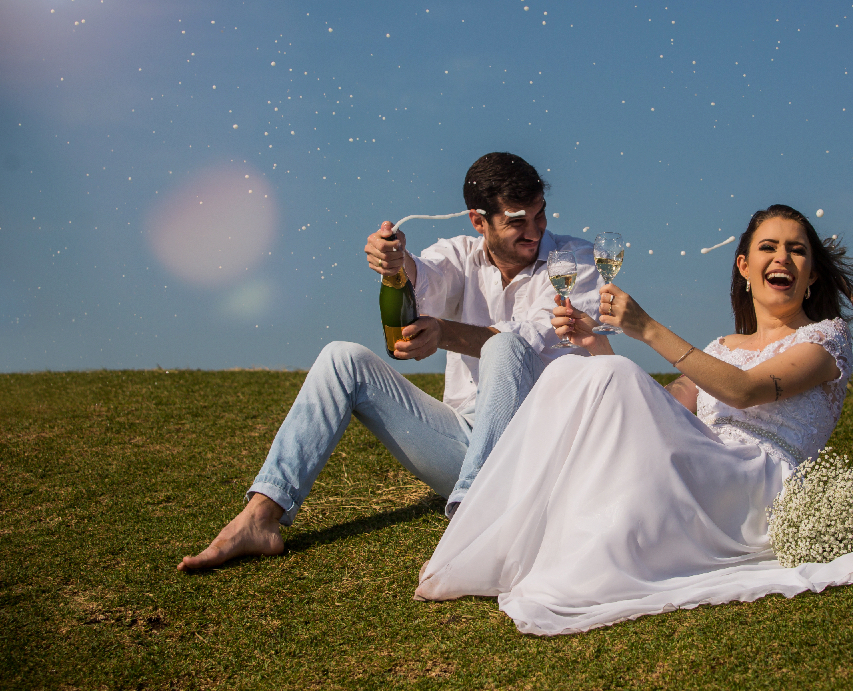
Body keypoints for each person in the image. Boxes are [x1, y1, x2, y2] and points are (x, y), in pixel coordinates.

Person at [414, 204, 853, 635]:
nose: (783, 258)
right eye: (769, 248)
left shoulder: (824, 338)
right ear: (744, 265)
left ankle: (504, 525)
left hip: (758, 484)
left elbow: (745, 390)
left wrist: (646, 329)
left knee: (611, 375)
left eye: (797, 251)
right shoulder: (721, 348)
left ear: (812, 273)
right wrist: (595, 345)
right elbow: (657, 409)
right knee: (572, 369)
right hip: (705, 463)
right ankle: (501, 533)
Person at [178, 152, 600, 571]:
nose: (534, 231)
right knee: (341, 357)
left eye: (540, 215)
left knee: (505, 346)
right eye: (518, 221)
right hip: (466, 444)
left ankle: (473, 521)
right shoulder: (459, 254)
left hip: (540, 448)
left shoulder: (576, 260)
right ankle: (261, 516)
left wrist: (444, 333)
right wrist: (394, 262)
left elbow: (535, 337)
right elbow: (426, 277)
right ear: (478, 220)